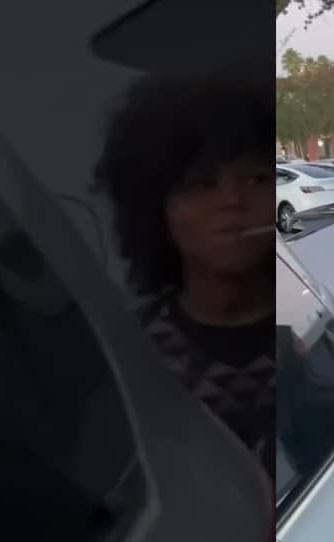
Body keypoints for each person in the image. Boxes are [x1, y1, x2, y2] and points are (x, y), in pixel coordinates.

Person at [92, 59, 272, 467]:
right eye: (200, 184)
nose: (232, 201)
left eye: (257, 179)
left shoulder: (310, 327)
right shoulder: (131, 355)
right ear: (157, 208)